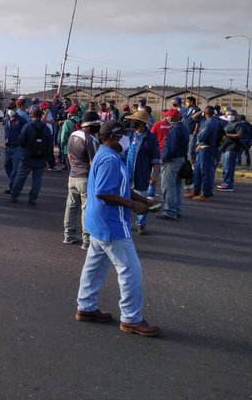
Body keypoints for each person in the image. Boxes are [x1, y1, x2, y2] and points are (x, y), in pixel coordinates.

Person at [75, 120, 160, 337]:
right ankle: (131, 318)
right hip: (111, 223)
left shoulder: (108, 155)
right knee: (130, 271)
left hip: (99, 222)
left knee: (94, 267)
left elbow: (119, 188)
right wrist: (134, 206)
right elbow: (103, 192)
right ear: (113, 138)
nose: (127, 139)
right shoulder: (109, 160)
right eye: (123, 135)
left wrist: (143, 199)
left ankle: (86, 307)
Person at [63, 110, 101, 249]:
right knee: (86, 209)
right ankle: (86, 240)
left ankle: (68, 235)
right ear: (90, 125)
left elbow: (69, 156)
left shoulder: (74, 134)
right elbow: (93, 163)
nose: (99, 127)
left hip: (73, 175)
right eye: (97, 124)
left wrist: (74, 168)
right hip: (85, 177)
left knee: (71, 206)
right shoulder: (91, 139)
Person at [124, 110, 160, 235]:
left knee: (142, 199)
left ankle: (141, 224)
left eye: (135, 121)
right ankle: (125, 222)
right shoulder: (130, 135)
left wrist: (154, 175)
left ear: (142, 123)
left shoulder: (150, 139)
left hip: (142, 174)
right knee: (125, 198)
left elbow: (155, 159)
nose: (132, 122)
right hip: (127, 173)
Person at [10, 108, 52, 206]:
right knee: (37, 180)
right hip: (40, 158)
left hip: (27, 157)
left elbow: (20, 141)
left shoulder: (27, 126)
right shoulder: (46, 128)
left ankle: (14, 195)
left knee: (20, 177)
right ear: (41, 116)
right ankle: (32, 198)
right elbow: (49, 145)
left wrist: (25, 149)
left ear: (31, 115)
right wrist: (47, 159)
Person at [156, 108, 190, 220]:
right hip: (180, 159)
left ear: (171, 118)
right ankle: (176, 209)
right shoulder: (183, 128)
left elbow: (171, 147)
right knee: (177, 186)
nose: (165, 118)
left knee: (168, 186)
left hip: (172, 160)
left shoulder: (175, 130)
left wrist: (163, 158)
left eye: (167, 116)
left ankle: (170, 210)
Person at [186, 106, 224, 201]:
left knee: (206, 172)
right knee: (197, 171)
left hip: (206, 149)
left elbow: (202, 136)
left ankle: (206, 194)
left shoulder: (209, 123)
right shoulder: (216, 121)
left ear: (205, 113)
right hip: (206, 149)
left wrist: (198, 141)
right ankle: (196, 190)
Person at [3, 103, 28, 194]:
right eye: (9, 108)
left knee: (15, 168)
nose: (10, 110)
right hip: (7, 146)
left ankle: (12, 186)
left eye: (12, 108)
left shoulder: (21, 119)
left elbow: (27, 130)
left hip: (17, 147)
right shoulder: (6, 119)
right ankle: (12, 183)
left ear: (15, 108)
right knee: (6, 165)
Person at [217, 109, 243, 192]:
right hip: (226, 147)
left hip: (232, 147)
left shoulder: (238, 124)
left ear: (236, 115)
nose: (230, 115)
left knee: (229, 167)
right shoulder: (228, 123)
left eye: (232, 114)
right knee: (225, 167)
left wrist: (228, 135)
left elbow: (240, 135)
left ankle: (228, 184)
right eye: (229, 114)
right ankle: (225, 183)